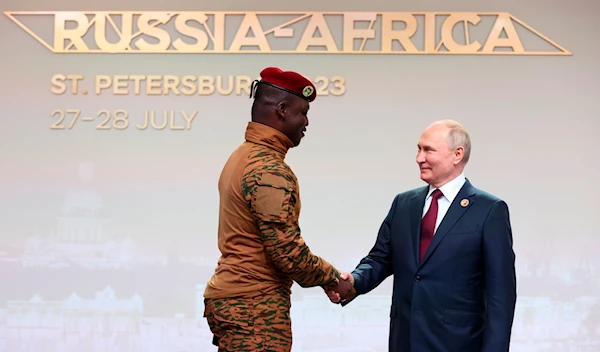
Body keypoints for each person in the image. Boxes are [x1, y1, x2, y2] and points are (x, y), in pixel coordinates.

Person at [326, 120, 517, 352]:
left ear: (457, 154)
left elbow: (501, 295)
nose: (419, 158)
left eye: (428, 150)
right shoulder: (404, 203)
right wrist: (353, 282)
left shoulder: (489, 210)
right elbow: (380, 259)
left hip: (459, 343)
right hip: (405, 341)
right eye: (419, 149)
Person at [203, 67, 353, 351]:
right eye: (303, 112)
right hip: (254, 306)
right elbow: (288, 253)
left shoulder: (243, 155)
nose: (306, 122)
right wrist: (333, 278)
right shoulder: (267, 169)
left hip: (239, 300)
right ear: (282, 110)